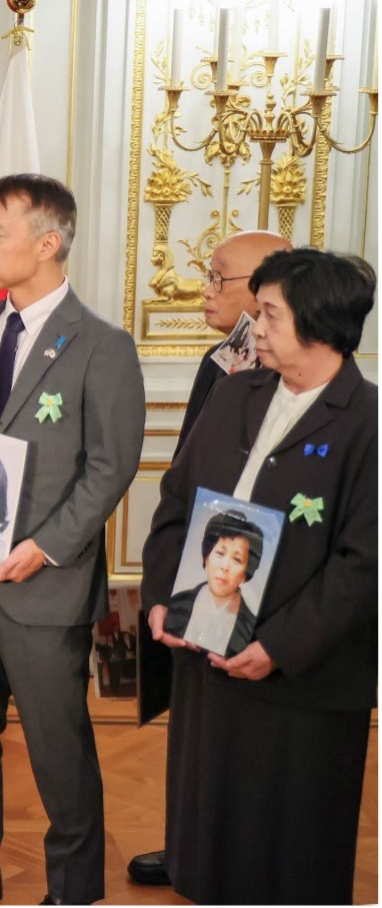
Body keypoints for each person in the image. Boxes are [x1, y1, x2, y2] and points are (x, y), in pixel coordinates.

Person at [0, 174, 145, 906]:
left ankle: (74, 889)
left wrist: (45, 545)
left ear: (48, 244)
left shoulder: (102, 345)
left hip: (43, 584)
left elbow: (112, 466)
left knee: (58, 747)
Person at [143, 248, 376, 905]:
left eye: (271, 313)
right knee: (207, 833)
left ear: (320, 323)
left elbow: (364, 564)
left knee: (287, 852)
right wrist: (164, 598)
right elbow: (176, 499)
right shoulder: (235, 390)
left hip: (303, 679)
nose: (258, 324)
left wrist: (277, 646)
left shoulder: (369, 422)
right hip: (206, 653)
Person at [127, 228, 290, 888]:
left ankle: (237, 852)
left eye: (219, 276)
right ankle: (189, 842)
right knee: (193, 714)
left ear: (262, 289)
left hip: (257, 567)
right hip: (204, 558)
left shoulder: (289, 367)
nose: (205, 288)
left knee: (244, 720)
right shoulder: (218, 358)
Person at [162, 511, 263, 658]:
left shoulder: (251, 626)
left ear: (246, 573)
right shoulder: (177, 604)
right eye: (220, 553)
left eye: (237, 560)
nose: (225, 566)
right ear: (207, 557)